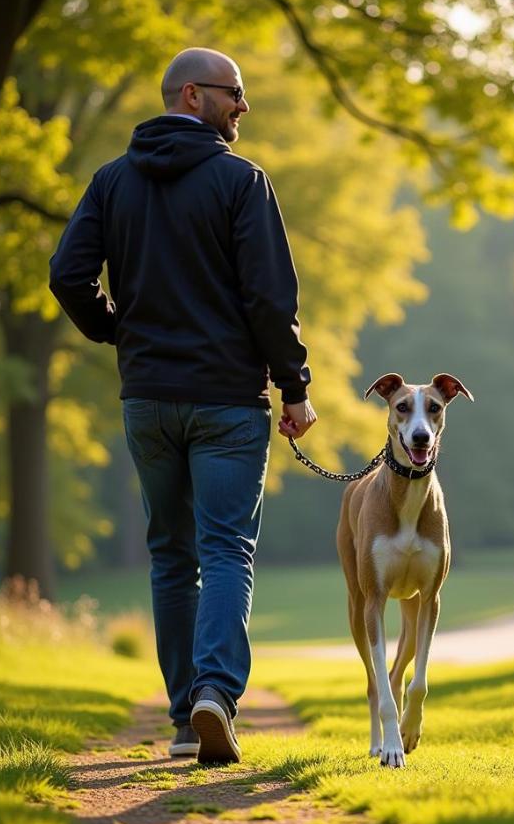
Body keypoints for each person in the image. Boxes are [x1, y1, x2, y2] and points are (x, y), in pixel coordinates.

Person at [49, 47, 316, 765]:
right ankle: (216, 698)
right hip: (227, 401)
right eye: (236, 93)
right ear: (193, 95)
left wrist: (118, 332)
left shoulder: (110, 182)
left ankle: (180, 720)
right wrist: (295, 388)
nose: (244, 107)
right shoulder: (241, 181)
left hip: (148, 400)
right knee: (226, 547)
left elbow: (67, 275)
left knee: (172, 556)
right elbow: (269, 298)